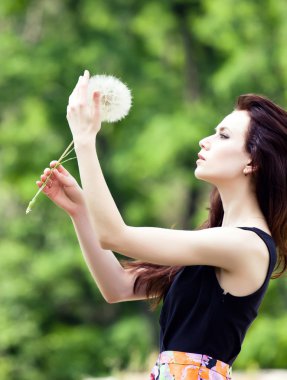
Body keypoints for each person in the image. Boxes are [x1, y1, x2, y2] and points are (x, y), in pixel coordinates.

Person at [37, 70, 287, 379]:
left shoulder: (248, 245)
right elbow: (118, 286)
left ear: (253, 161)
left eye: (223, 135)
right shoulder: (215, 244)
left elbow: (116, 236)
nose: (205, 141)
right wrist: (80, 211)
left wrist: (85, 140)